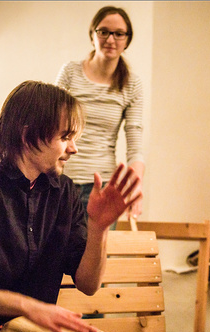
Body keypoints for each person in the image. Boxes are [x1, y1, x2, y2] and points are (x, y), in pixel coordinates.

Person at [0, 81, 179, 332]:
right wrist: (29, 308)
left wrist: (100, 226)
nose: (74, 148)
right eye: (66, 137)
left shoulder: (65, 193)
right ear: (29, 135)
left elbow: (88, 284)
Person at [55, 5, 144, 223]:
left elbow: (135, 144)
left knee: (95, 255)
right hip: (60, 180)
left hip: (101, 187)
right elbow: (50, 124)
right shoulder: (70, 72)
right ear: (92, 35)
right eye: (103, 31)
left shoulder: (131, 84)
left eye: (119, 34)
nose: (110, 40)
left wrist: (135, 189)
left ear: (127, 39)